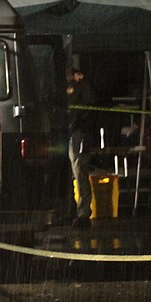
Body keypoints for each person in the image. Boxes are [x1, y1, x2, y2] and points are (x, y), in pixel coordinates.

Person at [67, 67, 96, 227]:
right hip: (62, 132)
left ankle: (83, 213)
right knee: (70, 174)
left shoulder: (81, 85)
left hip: (77, 132)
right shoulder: (56, 84)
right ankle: (71, 211)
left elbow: (89, 103)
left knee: (79, 171)